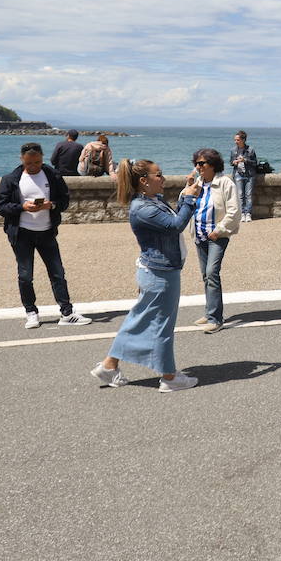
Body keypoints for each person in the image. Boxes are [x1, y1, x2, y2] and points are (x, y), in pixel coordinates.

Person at [90, 159, 203, 391]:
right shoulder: (143, 209)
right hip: (160, 274)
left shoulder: (151, 201)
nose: (163, 179)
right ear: (144, 181)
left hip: (157, 272)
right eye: (158, 175)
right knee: (161, 324)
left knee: (140, 320)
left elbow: (171, 219)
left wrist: (185, 194)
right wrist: (190, 199)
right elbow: (174, 226)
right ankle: (170, 378)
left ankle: (109, 365)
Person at [0, 142, 90, 329]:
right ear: (21, 159)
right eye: (29, 163)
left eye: (37, 162)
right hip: (22, 233)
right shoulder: (11, 179)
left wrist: (51, 205)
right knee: (25, 275)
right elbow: (0, 206)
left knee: (57, 273)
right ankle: (31, 313)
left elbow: (64, 200)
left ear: (42, 158)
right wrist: (22, 207)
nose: (33, 166)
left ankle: (67, 313)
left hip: (46, 232)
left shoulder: (52, 175)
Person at [187, 148, 240, 334]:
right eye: (196, 163)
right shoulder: (197, 183)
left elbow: (234, 211)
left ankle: (216, 319)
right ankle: (210, 312)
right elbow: (184, 203)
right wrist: (188, 187)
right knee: (206, 275)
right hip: (199, 235)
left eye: (202, 163)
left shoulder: (225, 183)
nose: (198, 167)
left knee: (212, 273)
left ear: (213, 165)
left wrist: (219, 230)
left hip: (216, 236)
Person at [230, 130, 260, 221]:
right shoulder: (233, 150)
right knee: (240, 195)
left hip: (249, 175)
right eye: (235, 140)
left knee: (248, 195)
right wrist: (234, 162)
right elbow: (230, 162)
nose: (236, 142)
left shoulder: (250, 150)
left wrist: (245, 160)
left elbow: (255, 163)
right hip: (238, 174)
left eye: (237, 140)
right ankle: (242, 213)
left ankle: (248, 214)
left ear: (243, 140)